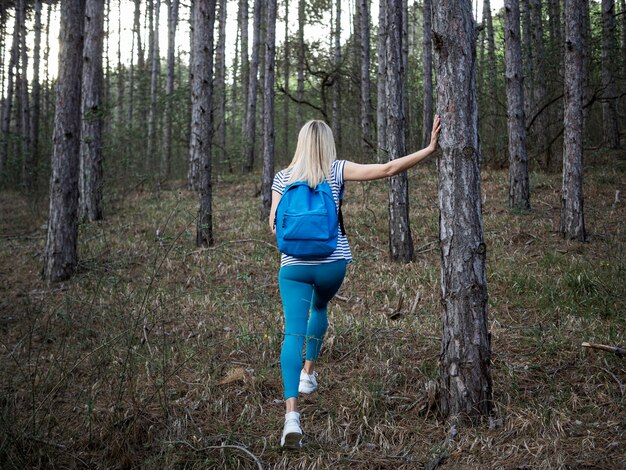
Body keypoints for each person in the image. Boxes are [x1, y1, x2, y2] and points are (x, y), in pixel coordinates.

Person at [269, 116, 441, 449]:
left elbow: (274, 225)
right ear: (328, 144)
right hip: (332, 264)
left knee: (293, 332)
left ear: (301, 143)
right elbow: (389, 169)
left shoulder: (282, 177)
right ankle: (309, 371)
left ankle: (291, 416)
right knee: (320, 305)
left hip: (293, 267)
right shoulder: (337, 169)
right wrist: (430, 148)